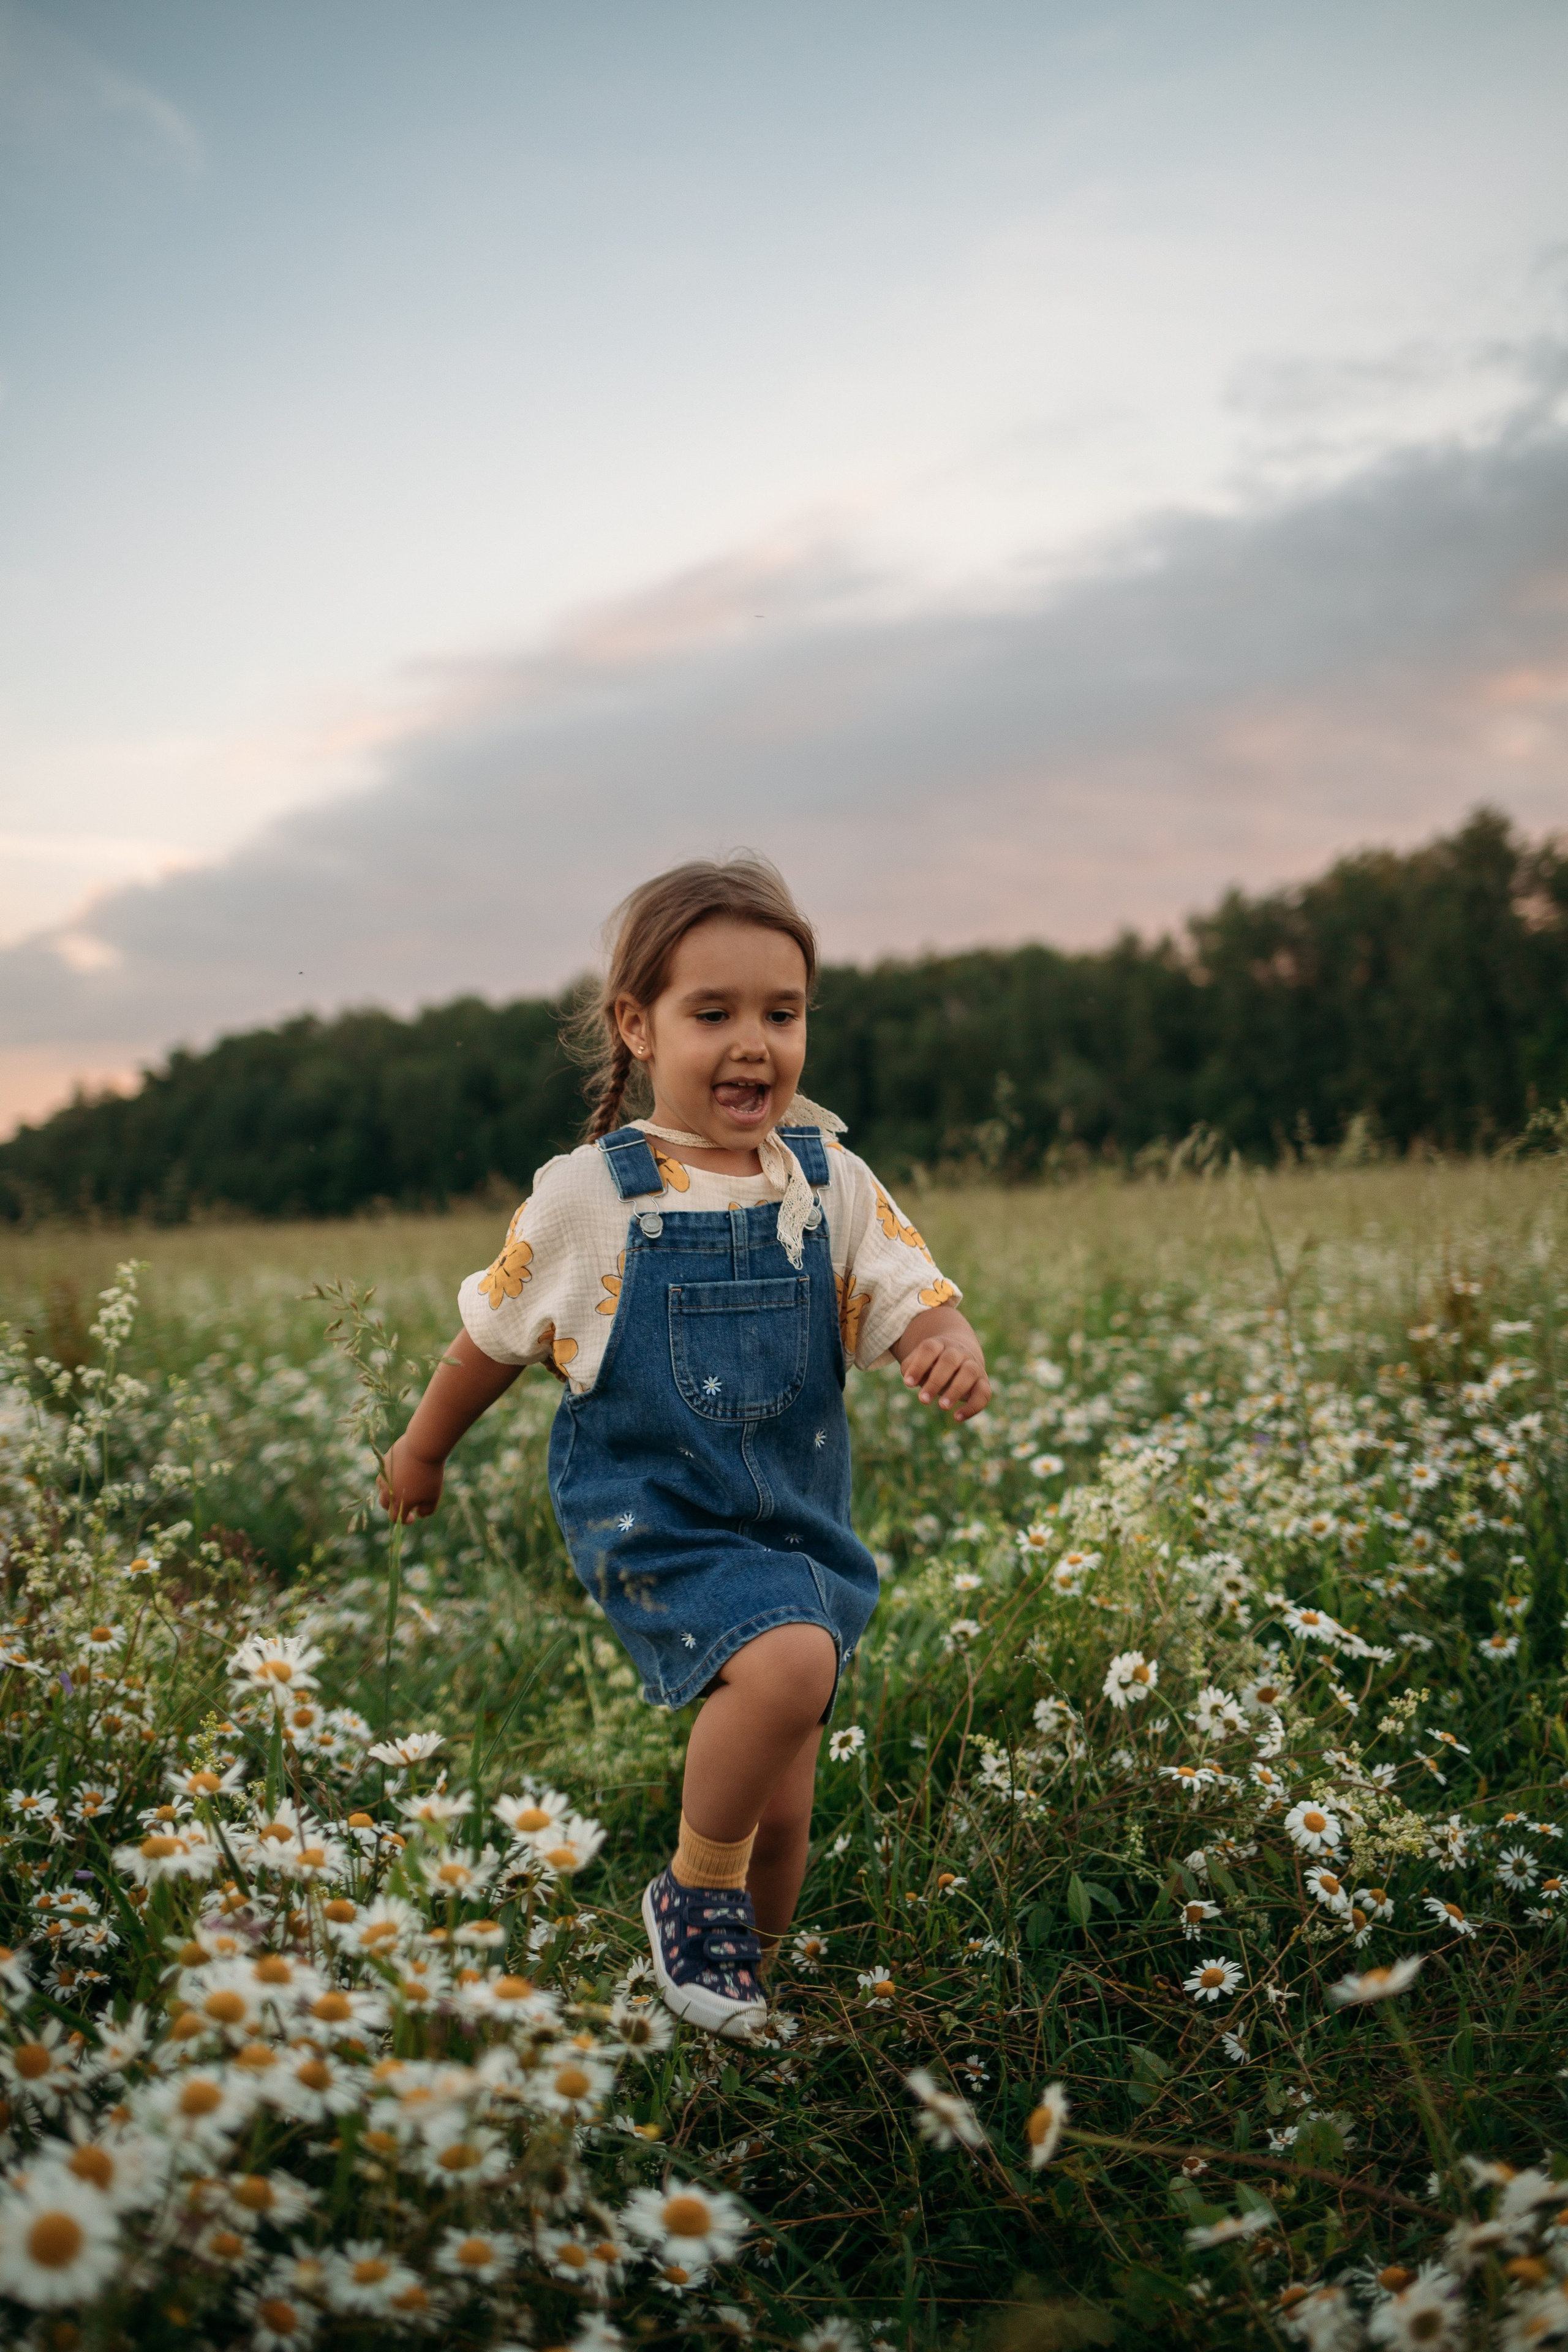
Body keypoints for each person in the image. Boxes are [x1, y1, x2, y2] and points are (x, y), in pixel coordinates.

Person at [380, 856, 991, 2038]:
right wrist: (422, 1448)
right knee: (792, 1669)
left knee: (789, 1801)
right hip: (655, 1511)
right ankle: (692, 1894)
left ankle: (737, 1996)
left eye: (783, 1012)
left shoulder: (831, 1180)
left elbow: (908, 1287)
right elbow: (492, 1338)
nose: (753, 1042)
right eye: (713, 1014)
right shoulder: (587, 1199)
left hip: (796, 1522)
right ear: (638, 1027)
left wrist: (942, 1333)